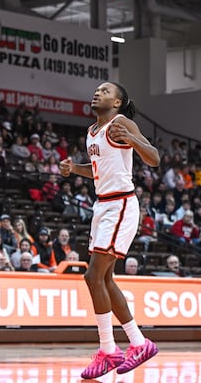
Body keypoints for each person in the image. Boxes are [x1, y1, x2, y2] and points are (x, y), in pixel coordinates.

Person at [59, 81, 160, 379]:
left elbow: (154, 158)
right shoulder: (92, 131)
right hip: (102, 205)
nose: (97, 92)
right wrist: (73, 169)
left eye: (105, 91)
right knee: (104, 278)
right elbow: (98, 168)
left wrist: (132, 137)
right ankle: (139, 343)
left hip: (120, 204)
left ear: (117, 103)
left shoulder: (121, 123)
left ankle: (109, 349)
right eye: (97, 89)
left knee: (92, 275)